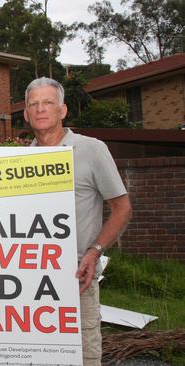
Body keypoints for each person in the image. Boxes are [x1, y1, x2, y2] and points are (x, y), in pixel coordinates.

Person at [24, 77, 132, 366]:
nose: (40, 109)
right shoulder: (20, 160)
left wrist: (95, 250)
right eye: (33, 104)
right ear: (25, 114)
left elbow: (122, 207)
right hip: (28, 284)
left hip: (77, 281)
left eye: (48, 102)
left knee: (84, 359)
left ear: (63, 110)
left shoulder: (92, 149)